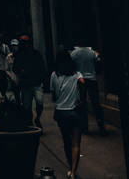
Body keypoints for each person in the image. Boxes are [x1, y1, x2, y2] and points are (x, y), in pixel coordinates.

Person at [50, 49, 86, 179]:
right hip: (75, 112)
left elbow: (53, 96)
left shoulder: (54, 75)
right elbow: (82, 82)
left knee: (67, 141)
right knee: (76, 143)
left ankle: (70, 165)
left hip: (61, 113)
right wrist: (81, 99)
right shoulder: (76, 74)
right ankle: (73, 171)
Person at [71, 40, 106, 135]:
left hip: (80, 79)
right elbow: (99, 62)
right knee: (96, 103)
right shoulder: (92, 52)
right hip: (92, 78)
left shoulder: (74, 53)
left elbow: (72, 66)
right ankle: (101, 125)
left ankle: (84, 127)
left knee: (82, 103)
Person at [14, 34, 47, 128]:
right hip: (26, 85)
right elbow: (15, 68)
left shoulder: (36, 54)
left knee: (40, 103)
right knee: (26, 106)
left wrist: (41, 79)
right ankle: (30, 122)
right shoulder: (19, 55)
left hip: (36, 83)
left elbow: (42, 67)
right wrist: (21, 71)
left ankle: (37, 118)